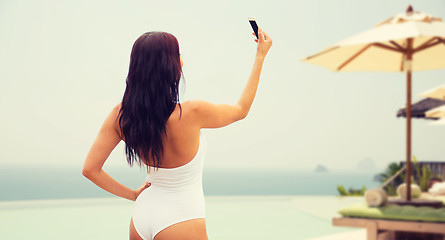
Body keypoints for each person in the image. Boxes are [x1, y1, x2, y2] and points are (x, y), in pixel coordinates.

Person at [82, 28, 272, 240]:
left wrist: (134, 195)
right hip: (181, 218)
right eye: (178, 55)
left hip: (142, 216)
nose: (182, 60)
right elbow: (241, 109)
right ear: (170, 66)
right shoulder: (192, 112)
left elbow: (90, 169)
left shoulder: (121, 115)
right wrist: (260, 55)